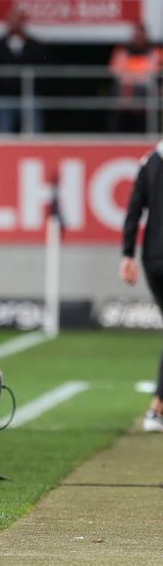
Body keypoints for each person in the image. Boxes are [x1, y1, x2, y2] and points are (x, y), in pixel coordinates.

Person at [120, 141, 163, 433]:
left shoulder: (150, 161)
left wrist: (127, 255)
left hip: (153, 260)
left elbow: (134, 210)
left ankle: (157, 408)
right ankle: (157, 406)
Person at [0, 7, 50, 133]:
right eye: (12, 20)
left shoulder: (36, 46)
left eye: (18, 20)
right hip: (5, 96)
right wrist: (5, 83)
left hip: (30, 95)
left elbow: (44, 69)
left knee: (34, 132)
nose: (15, 24)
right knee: (2, 133)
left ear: (23, 22)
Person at [107, 22, 162, 133]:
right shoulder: (121, 52)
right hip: (123, 98)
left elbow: (154, 72)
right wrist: (134, 79)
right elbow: (114, 71)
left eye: (141, 36)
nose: (138, 39)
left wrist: (132, 78)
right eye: (136, 36)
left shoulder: (155, 53)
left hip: (144, 95)